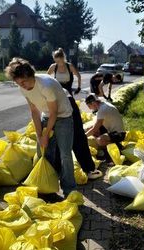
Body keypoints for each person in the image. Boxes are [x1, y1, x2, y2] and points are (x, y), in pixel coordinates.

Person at [5, 57, 76, 196]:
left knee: (65, 155)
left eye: (24, 81)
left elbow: (55, 113)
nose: (22, 85)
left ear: (30, 75)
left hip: (63, 117)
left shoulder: (45, 85)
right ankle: (47, 186)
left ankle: (69, 190)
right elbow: (34, 111)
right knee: (43, 151)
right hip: (46, 115)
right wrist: (39, 135)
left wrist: (46, 134)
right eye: (18, 83)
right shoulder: (23, 88)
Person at [48, 48, 102, 179]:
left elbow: (77, 75)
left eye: (60, 59)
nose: (58, 62)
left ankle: (87, 169)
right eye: (56, 60)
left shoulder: (69, 66)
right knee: (58, 135)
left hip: (68, 100)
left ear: (63, 58)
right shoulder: (52, 67)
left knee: (76, 133)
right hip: (56, 101)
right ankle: (55, 169)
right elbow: (46, 78)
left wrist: (78, 87)